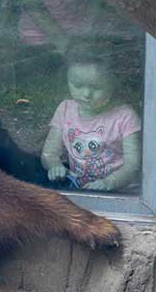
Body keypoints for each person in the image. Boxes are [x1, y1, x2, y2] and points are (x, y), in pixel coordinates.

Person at [41, 45, 141, 191]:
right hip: (82, 191)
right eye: (77, 85)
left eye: (96, 87)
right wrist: (55, 165)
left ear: (113, 82)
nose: (86, 94)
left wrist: (109, 183)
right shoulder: (65, 109)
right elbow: (49, 153)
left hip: (122, 193)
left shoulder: (125, 117)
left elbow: (133, 165)